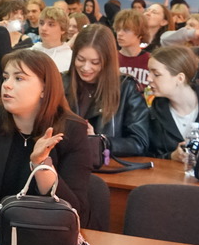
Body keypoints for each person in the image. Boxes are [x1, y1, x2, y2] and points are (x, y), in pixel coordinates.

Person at [0, 50, 93, 225]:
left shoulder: (72, 130)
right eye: (5, 77)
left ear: (44, 88)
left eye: (19, 78)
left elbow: (74, 212)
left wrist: (41, 164)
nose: (7, 85)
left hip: (43, 232)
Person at [63, 25, 150, 156]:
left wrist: (101, 142)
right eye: (80, 59)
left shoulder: (126, 87)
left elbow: (139, 143)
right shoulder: (62, 82)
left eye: (95, 62)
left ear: (108, 61)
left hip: (107, 165)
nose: (86, 67)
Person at [113, 8, 151, 92]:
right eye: (118, 29)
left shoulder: (151, 60)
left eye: (126, 30)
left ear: (140, 33)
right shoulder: (111, 59)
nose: (119, 34)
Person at [30, 6, 72, 72]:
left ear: (62, 29)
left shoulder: (70, 58)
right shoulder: (29, 53)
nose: (43, 28)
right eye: (41, 23)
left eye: (51, 24)